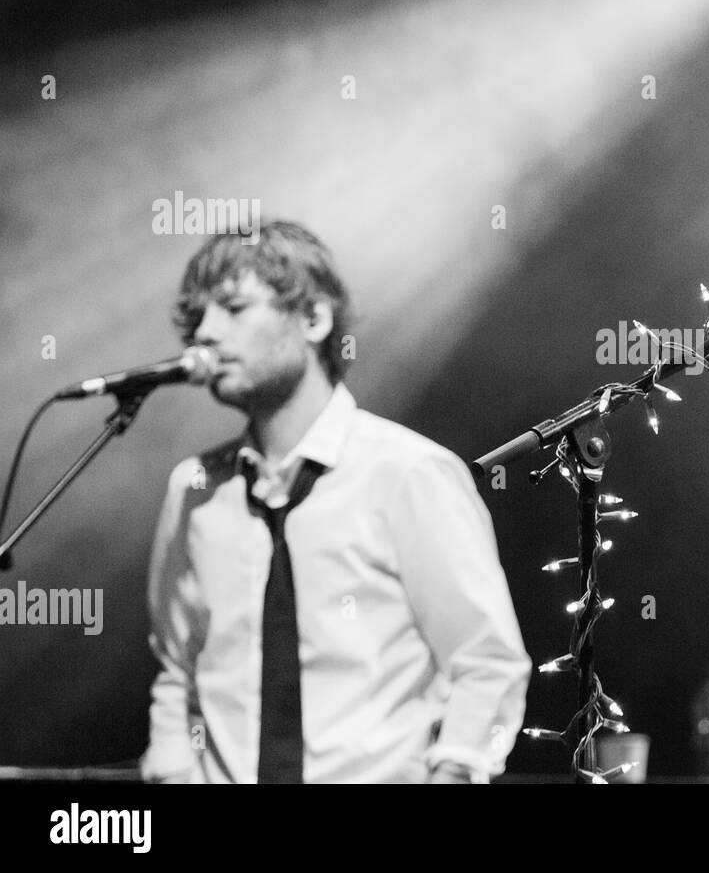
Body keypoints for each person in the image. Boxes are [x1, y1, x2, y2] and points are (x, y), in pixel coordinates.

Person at [140, 221, 530, 783]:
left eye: (233, 307)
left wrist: (454, 774)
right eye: (196, 316)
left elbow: (486, 662)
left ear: (315, 319)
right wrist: (174, 771)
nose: (205, 331)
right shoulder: (194, 488)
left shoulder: (408, 473)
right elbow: (178, 670)